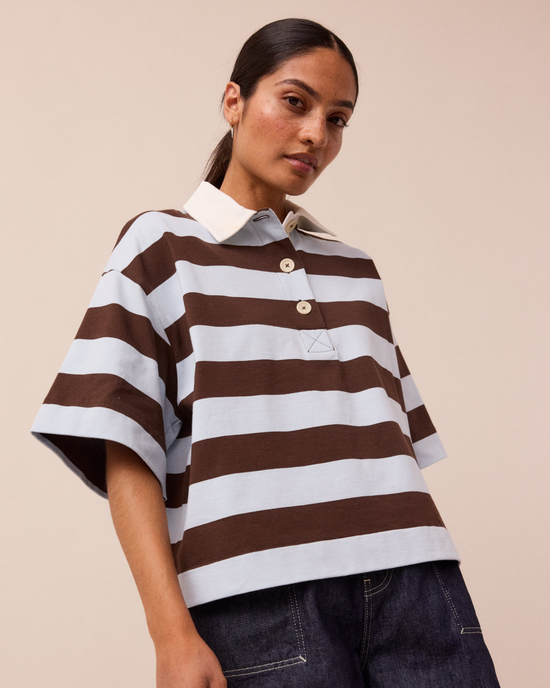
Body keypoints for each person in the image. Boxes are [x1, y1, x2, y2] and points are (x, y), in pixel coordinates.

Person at [31, 17, 501, 688]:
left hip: (420, 584)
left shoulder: (355, 269)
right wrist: (170, 634)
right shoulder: (159, 246)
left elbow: (389, 451)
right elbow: (126, 446)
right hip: (259, 596)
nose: (316, 134)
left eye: (337, 119)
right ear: (234, 101)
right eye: (295, 102)